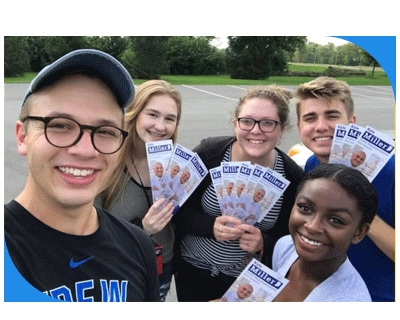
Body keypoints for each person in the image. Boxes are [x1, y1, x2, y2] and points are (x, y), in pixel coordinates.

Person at [4, 49, 160, 302]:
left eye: (106, 131)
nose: (85, 151)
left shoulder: (138, 246)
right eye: (60, 126)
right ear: (23, 137)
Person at [174, 86, 304, 302]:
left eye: (268, 123)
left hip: (246, 284)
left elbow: (291, 240)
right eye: (247, 121)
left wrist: (264, 242)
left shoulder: (291, 176)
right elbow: (175, 208)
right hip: (193, 270)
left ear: (281, 129)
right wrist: (210, 227)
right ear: (235, 123)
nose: (255, 130)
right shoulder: (210, 153)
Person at [295, 76, 395, 301]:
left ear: (351, 122)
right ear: (300, 127)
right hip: (326, 293)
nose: (321, 126)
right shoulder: (312, 165)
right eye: (310, 118)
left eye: (332, 116)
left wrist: (361, 210)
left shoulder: (391, 172)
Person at [98, 79, 182, 301]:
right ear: (135, 113)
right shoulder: (108, 161)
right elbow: (88, 229)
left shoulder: (177, 166)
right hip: (118, 270)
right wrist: (143, 229)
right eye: (152, 115)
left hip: (161, 270)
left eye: (169, 119)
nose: (161, 126)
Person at [272, 164, 377, 302]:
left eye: (336, 220)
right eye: (305, 208)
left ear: (359, 232)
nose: (313, 227)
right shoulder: (285, 246)